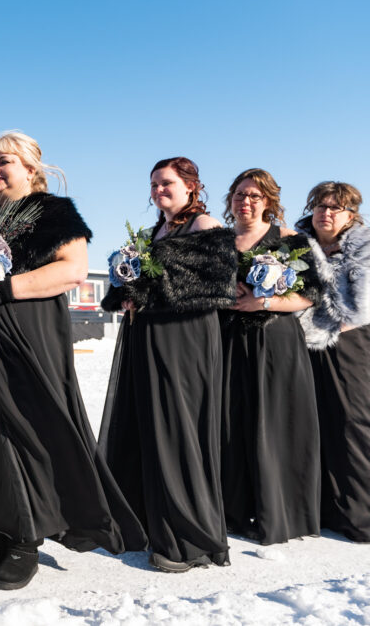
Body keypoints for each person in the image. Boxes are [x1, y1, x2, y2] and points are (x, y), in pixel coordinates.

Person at [0, 131, 146, 591]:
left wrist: (4, 288)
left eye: (6, 162)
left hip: (25, 328)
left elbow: (73, 269)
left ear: (31, 169)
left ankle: (25, 538)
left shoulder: (55, 213)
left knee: (27, 426)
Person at [100, 156, 236, 573]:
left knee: (179, 427)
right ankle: (147, 521)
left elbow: (217, 285)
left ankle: (189, 538)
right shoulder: (154, 231)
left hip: (186, 340)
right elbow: (131, 283)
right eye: (154, 185)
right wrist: (123, 292)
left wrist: (147, 286)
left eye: (167, 184)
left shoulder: (206, 226)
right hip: (148, 336)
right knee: (149, 426)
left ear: (192, 186)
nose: (159, 191)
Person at [219, 169, 321, 544]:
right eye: (240, 194)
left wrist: (263, 302)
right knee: (230, 423)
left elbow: (312, 293)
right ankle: (233, 509)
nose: (246, 201)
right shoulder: (219, 241)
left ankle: (277, 512)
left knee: (274, 423)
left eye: (255, 196)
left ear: (269, 202)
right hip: (226, 341)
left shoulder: (291, 240)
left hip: (275, 341)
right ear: (230, 200)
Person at [295, 181, 370, 542]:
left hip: (350, 340)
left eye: (336, 208)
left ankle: (361, 516)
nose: (326, 213)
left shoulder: (364, 246)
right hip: (305, 341)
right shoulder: (297, 244)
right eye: (321, 206)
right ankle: (325, 509)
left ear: (350, 213)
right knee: (316, 421)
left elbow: (362, 304)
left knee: (353, 424)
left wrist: (330, 323)